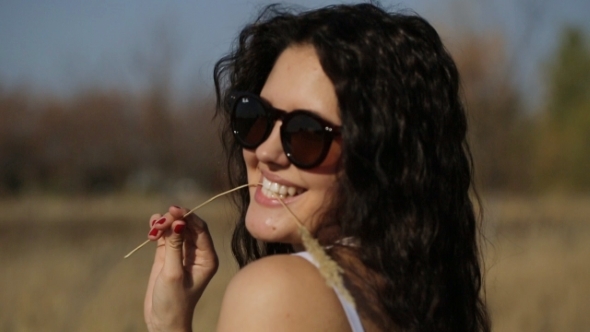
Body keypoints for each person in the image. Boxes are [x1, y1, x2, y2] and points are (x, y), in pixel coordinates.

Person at [143, 3, 490, 331]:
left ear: (379, 158)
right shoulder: (413, 297)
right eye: (256, 117)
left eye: (306, 133)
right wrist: (169, 323)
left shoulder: (274, 293)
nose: (265, 151)